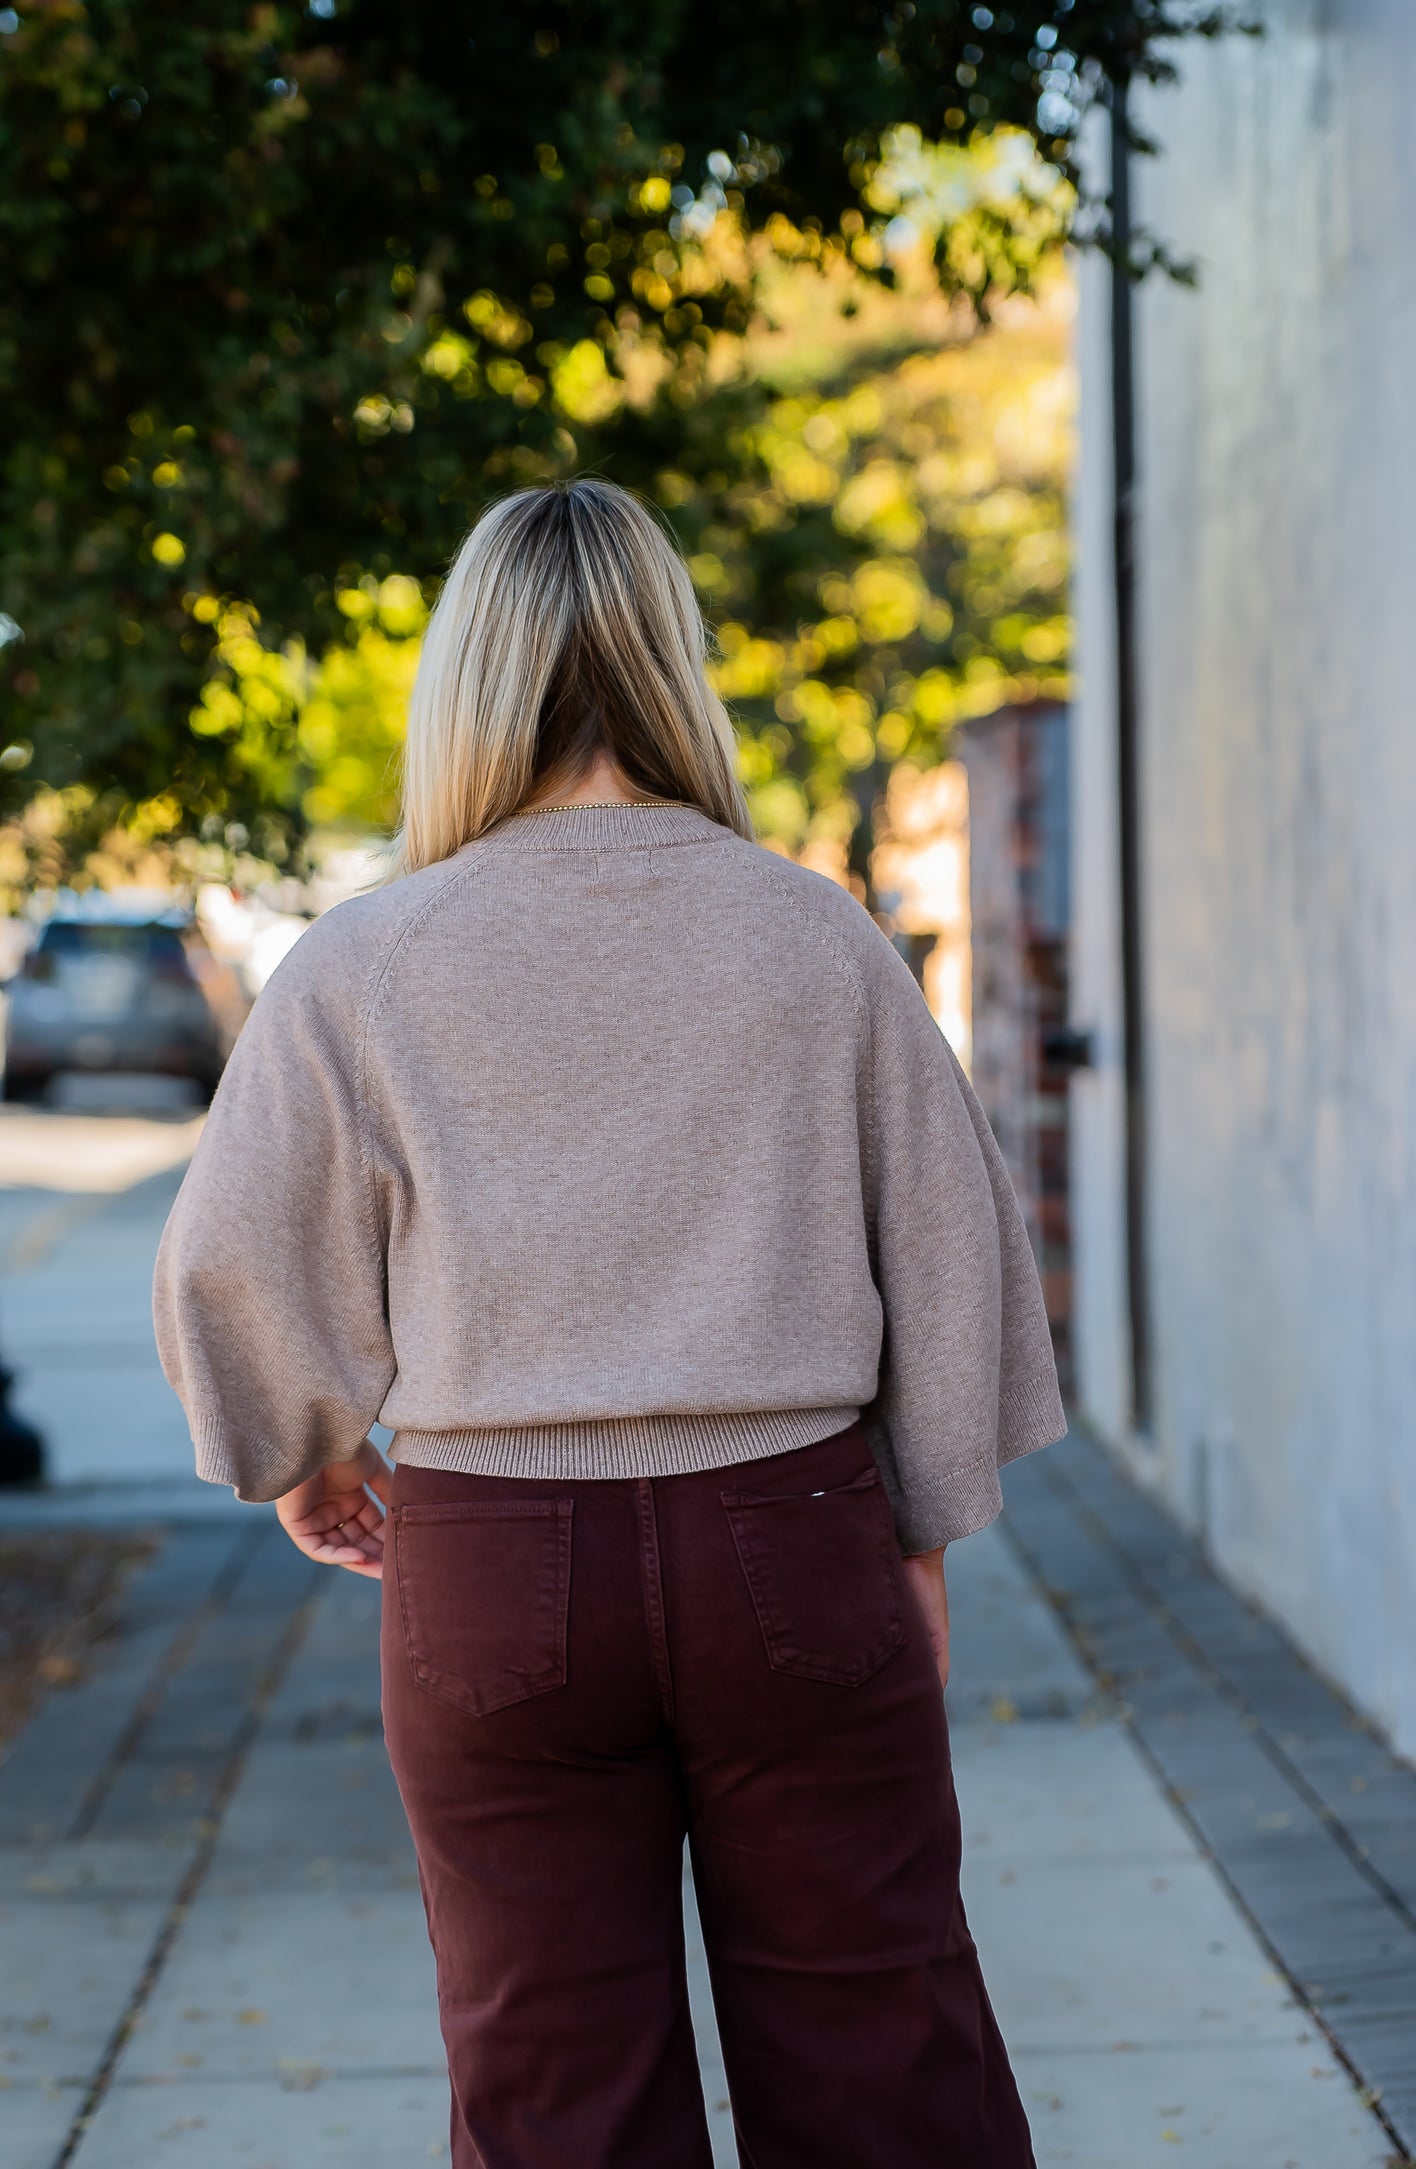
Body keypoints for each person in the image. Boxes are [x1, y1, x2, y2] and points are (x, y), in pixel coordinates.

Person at [154, 478, 1065, 2169]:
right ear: (673, 663)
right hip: (794, 1539)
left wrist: (306, 1451)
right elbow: (954, 1244)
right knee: (886, 2063)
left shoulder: (361, 961)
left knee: (554, 2094)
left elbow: (230, 1259)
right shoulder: (810, 930)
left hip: (491, 1568)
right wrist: (922, 1530)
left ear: (459, 685)